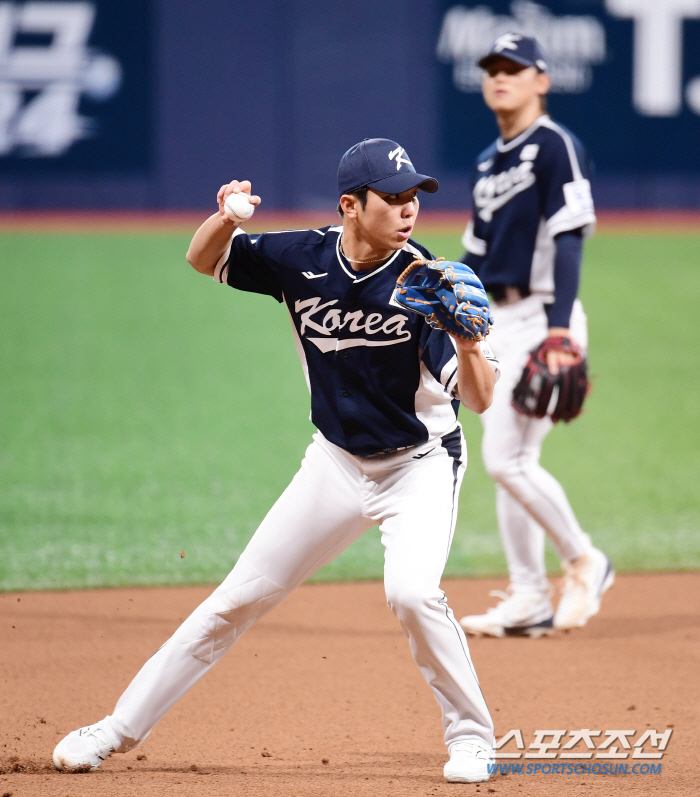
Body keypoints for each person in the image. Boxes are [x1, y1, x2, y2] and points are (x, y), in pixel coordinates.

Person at [53, 138, 501, 784]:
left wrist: (468, 340)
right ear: (351, 204)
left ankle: (472, 738)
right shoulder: (300, 256)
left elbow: (478, 401)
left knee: (411, 592)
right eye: (394, 197)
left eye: (413, 197)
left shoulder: (423, 282)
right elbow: (202, 258)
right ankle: (115, 729)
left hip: (419, 466)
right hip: (335, 464)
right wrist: (227, 218)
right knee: (236, 599)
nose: (409, 210)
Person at [457, 34, 614, 640]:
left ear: (541, 81)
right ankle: (527, 595)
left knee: (507, 459)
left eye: (514, 70)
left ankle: (583, 560)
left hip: (546, 316)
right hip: (496, 321)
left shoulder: (554, 147)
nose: (501, 78)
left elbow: (570, 235)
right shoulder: (486, 162)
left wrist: (558, 333)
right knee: (509, 458)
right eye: (493, 70)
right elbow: (474, 253)